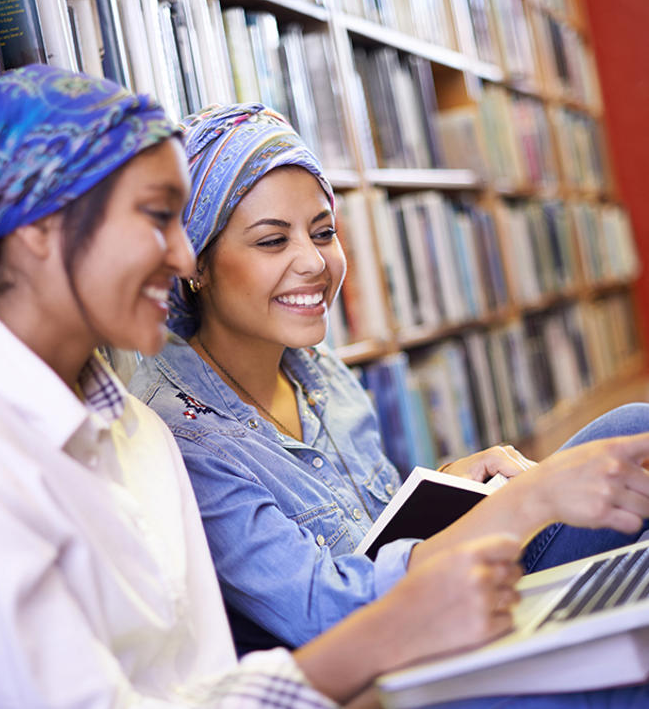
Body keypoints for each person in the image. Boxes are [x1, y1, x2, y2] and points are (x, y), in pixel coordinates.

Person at [0, 62, 561, 709]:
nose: (183, 259)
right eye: (157, 217)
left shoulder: (138, 434)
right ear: (38, 228)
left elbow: (211, 678)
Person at [128, 102, 649, 669]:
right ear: (195, 265)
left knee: (633, 435)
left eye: (323, 232)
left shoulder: (318, 369)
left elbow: (377, 536)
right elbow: (331, 612)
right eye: (272, 241)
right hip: (381, 670)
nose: (313, 262)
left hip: (447, 607)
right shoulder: (181, 436)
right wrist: (529, 502)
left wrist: (449, 488)